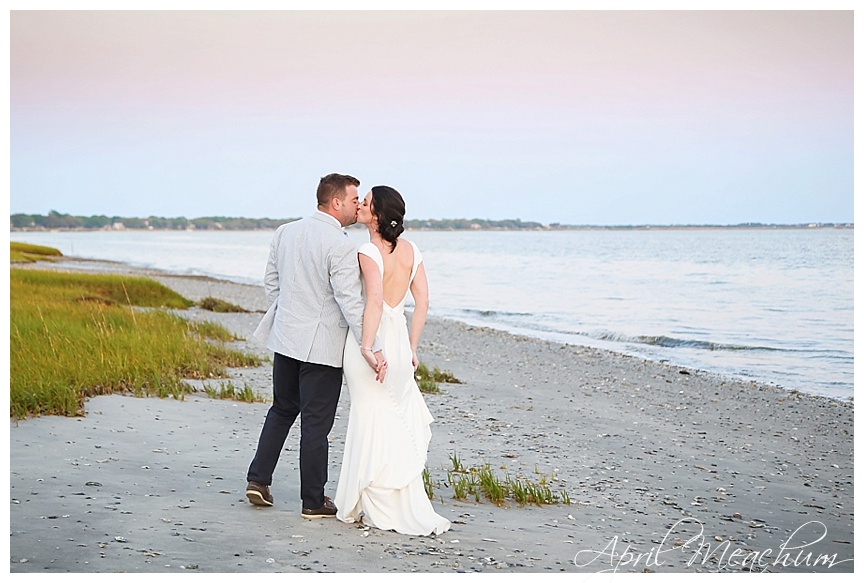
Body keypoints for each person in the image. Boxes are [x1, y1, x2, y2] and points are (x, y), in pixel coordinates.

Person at [246, 173, 387, 518]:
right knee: (316, 424)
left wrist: (288, 314)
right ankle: (313, 501)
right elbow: (351, 301)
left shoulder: (285, 231)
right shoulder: (340, 246)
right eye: (355, 200)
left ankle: (257, 479)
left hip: (286, 337)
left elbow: (271, 282)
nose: (358, 206)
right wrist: (372, 345)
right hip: (321, 348)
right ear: (336, 202)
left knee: (281, 409)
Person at [334, 185, 451, 536]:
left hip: (375, 342)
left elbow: (373, 301)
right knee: (391, 420)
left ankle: (370, 502)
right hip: (399, 342)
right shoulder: (412, 251)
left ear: (378, 216)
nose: (361, 207)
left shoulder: (368, 250)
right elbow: (424, 302)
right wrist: (412, 347)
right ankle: (386, 498)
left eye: (366, 203)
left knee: (369, 417)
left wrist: (368, 347)